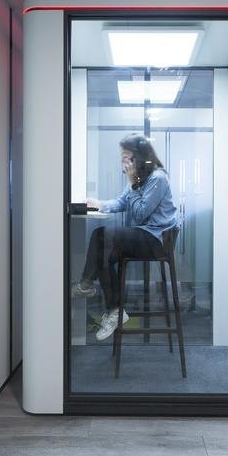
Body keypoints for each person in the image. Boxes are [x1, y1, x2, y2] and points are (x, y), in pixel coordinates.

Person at [72, 133, 177, 341]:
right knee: (104, 254)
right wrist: (99, 204)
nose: (123, 161)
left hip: (156, 241)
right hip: (144, 235)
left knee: (100, 236)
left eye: (126, 156)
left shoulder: (157, 178)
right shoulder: (138, 178)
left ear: (139, 156)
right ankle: (115, 311)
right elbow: (122, 201)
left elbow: (139, 215)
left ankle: (86, 284)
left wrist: (133, 182)